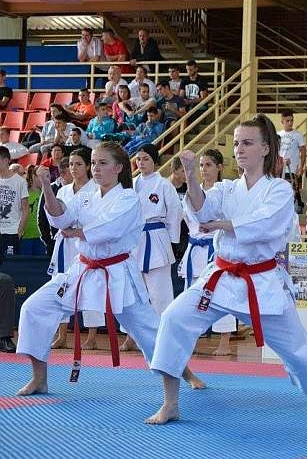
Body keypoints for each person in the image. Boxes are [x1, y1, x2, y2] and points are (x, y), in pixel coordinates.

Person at [145, 114, 307, 424]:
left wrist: (220, 225)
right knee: (174, 318)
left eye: (247, 143)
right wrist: (190, 175)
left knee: (297, 347)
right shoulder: (228, 188)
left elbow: (264, 225)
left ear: (266, 148)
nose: (239, 149)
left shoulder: (279, 190)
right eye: (236, 143)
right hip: (220, 278)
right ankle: (170, 403)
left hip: (261, 281)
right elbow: (202, 210)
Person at [15, 141, 203, 396]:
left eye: (102, 163)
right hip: (82, 270)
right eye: (93, 163)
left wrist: (75, 232)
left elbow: (108, 229)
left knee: (151, 332)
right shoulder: (85, 196)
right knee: (34, 308)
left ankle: (182, 378)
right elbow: (61, 217)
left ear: (118, 168)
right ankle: (39, 378)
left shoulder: (128, 198)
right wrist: (47, 186)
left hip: (117, 274)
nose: (96, 168)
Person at [177, 149, 244, 356]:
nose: (204, 169)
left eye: (208, 165)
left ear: (219, 167)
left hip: (215, 248)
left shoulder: (226, 192)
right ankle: (191, 339)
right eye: (201, 165)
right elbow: (186, 220)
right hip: (194, 247)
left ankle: (224, 342)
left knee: (221, 293)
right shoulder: (192, 192)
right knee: (192, 295)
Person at [120, 143, 181, 352]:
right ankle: (131, 336)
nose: (141, 163)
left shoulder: (164, 185)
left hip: (156, 237)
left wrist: (172, 240)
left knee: (160, 292)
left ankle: (164, 336)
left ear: (155, 161)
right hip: (135, 239)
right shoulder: (131, 184)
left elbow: (175, 212)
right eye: (138, 159)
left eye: (146, 159)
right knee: (133, 292)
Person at [46, 148, 105, 350]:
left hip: (86, 243)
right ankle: (62, 334)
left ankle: (92, 337)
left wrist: (78, 231)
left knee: (91, 288)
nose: (73, 168)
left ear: (88, 166)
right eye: (71, 164)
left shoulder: (97, 189)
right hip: (65, 243)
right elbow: (55, 217)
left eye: (78, 164)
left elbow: (99, 220)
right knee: (62, 286)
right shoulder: (63, 191)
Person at [0, 145, 29, 261]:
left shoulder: (20, 182)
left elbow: (26, 210)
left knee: (10, 266)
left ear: (6, 160)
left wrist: (19, 232)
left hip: (12, 233)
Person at [278, 110, 306, 213]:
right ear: (282, 121)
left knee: (292, 188)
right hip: (279, 167)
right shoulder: (278, 135)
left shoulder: (298, 135)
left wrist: (301, 167)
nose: (290, 123)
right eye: (287, 121)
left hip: (292, 167)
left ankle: (297, 206)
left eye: (291, 120)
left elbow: (303, 152)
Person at [18, 165, 45, 255]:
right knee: (25, 263)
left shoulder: (45, 194)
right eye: (41, 176)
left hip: (41, 237)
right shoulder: (24, 192)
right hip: (25, 236)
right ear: (34, 176)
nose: (44, 179)